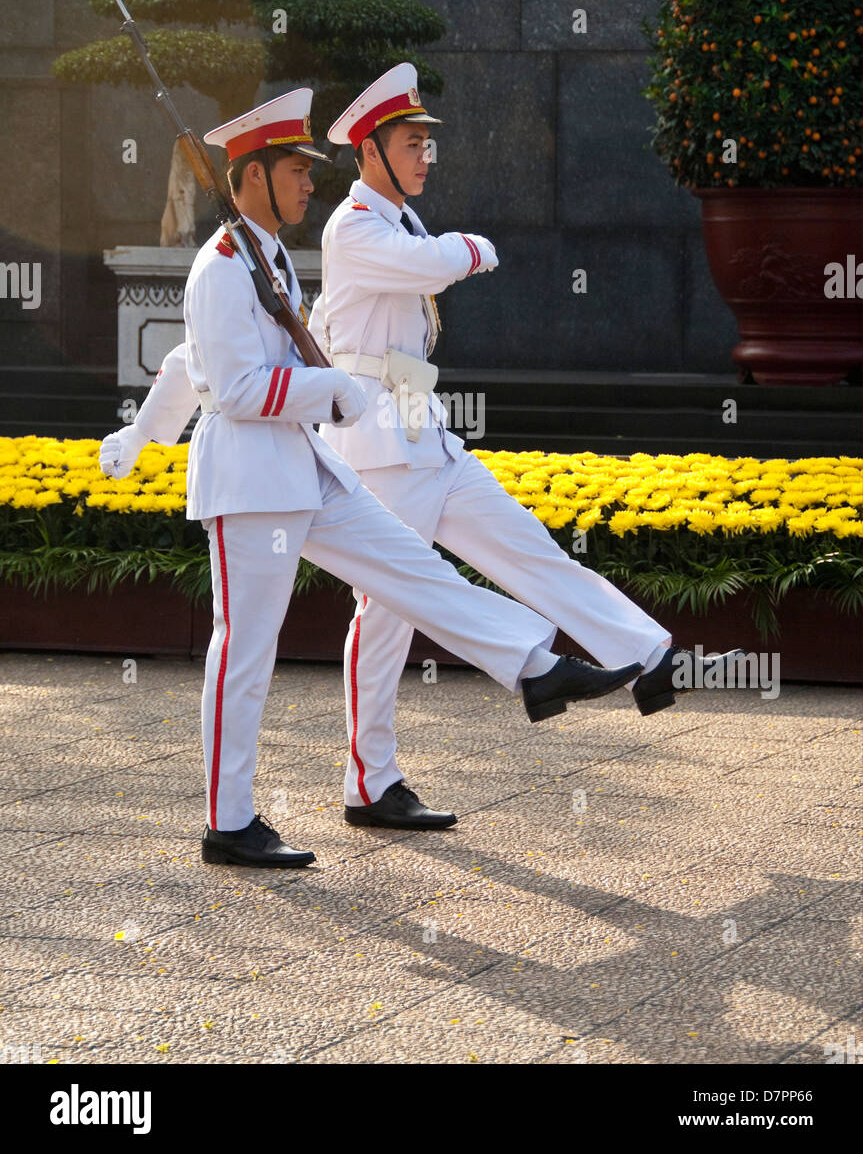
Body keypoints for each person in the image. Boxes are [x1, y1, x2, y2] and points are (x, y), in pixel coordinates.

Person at [101, 87, 642, 867]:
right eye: (293, 169)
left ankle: (534, 669)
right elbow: (236, 384)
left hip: (302, 465)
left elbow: (196, 360)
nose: (307, 184)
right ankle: (230, 820)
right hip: (250, 483)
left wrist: (144, 429)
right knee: (246, 650)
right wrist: (330, 390)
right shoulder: (222, 267)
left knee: (408, 566)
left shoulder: (267, 253)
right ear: (251, 176)